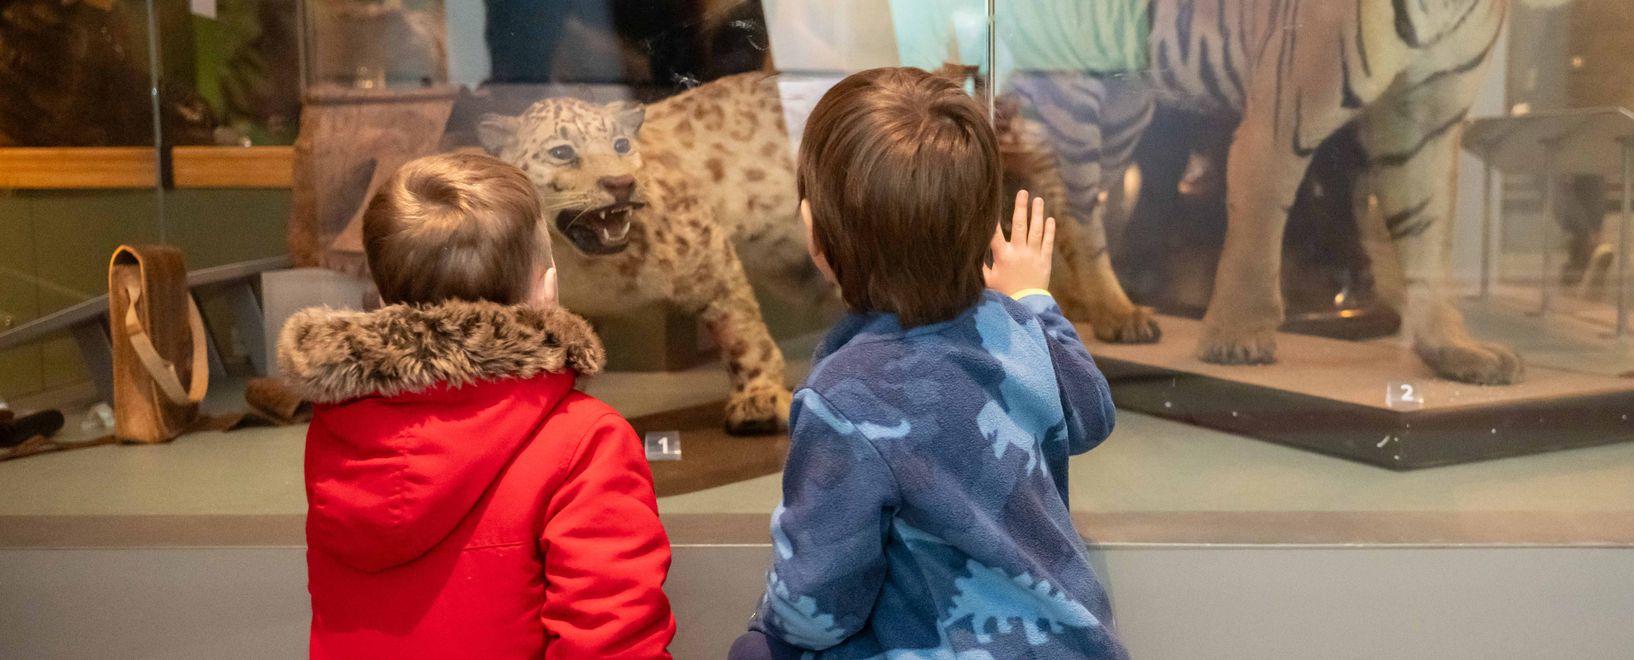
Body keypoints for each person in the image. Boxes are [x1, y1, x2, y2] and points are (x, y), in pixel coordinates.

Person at [731, 67, 1127, 659]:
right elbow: (1092, 413)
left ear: (815, 232)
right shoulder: (1017, 330)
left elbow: (816, 606)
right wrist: (1033, 302)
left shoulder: (841, 395)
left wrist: (767, 631)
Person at [282, 152, 675, 659]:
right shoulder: (585, 441)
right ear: (547, 290)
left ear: (382, 299)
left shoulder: (342, 431)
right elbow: (611, 641)